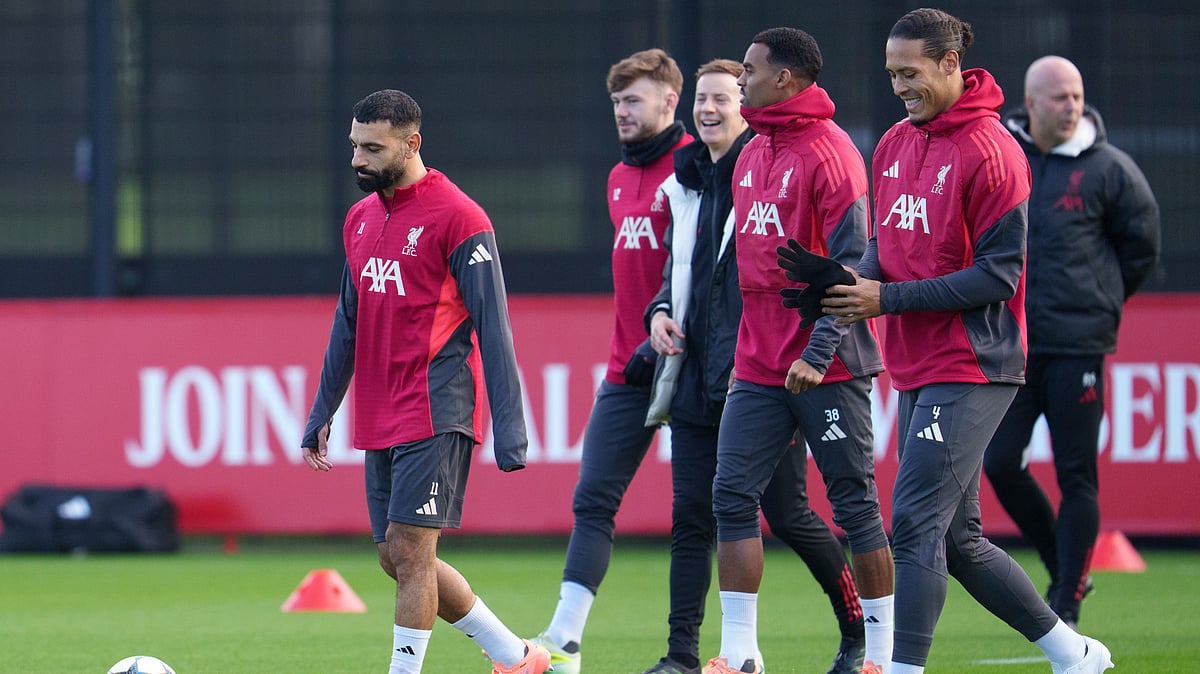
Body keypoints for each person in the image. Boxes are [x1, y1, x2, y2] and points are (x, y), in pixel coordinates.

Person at [821, 9, 1114, 673]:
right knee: (959, 541)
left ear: (951, 64)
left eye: (911, 71)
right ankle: (1075, 654)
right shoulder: (894, 143)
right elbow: (883, 250)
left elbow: (997, 276)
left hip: (976, 364)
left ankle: (903, 668)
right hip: (917, 362)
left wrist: (884, 298)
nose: (900, 85)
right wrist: (845, 285)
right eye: (892, 72)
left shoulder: (993, 152)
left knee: (916, 522)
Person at [299, 89, 550, 674]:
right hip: (379, 410)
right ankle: (515, 657)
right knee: (396, 555)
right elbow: (347, 322)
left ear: (412, 144)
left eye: (372, 148)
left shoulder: (460, 217)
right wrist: (321, 410)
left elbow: (495, 328)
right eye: (354, 146)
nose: (358, 159)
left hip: (437, 408)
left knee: (412, 552)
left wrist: (511, 429)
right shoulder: (360, 217)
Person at [642, 58, 866, 674]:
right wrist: (659, 311)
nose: (712, 107)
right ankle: (684, 655)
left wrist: (813, 349)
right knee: (696, 513)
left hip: (765, 365)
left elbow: (830, 262)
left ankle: (858, 627)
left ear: (748, 108)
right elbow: (677, 272)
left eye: (726, 96)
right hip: (696, 374)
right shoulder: (684, 182)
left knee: (788, 512)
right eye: (704, 98)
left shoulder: (771, 163)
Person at [703, 27, 895, 674]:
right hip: (758, 365)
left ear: (784, 78)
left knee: (852, 504)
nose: (740, 81)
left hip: (829, 364)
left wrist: (817, 350)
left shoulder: (833, 153)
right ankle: (740, 653)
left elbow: (852, 262)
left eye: (750, 70)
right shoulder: (754, 148)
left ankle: (882, 654)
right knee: (731, 496)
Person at [528, 48, 694, 674]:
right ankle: (565, 640)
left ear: (669, 102)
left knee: (761, 512)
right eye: (617, 102)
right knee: (593, 497)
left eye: (635, 100)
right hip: (629, 368)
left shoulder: (695, 169)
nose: (623, 112)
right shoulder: (618, 178)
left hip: (696, 367)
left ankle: (846, 626)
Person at [983, 55, 1161, 629]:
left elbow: (1142, 250)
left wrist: (1101, 301)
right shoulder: (1004, 157)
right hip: (1015, 343)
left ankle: (1066, 602)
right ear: (1030, 103)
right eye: (1059, 97)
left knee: (1076, 474)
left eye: (1078, 96)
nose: (1072, 107)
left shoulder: (1111, 169)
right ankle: (1064, 561)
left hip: (1078, 343)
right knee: (1000, 462)